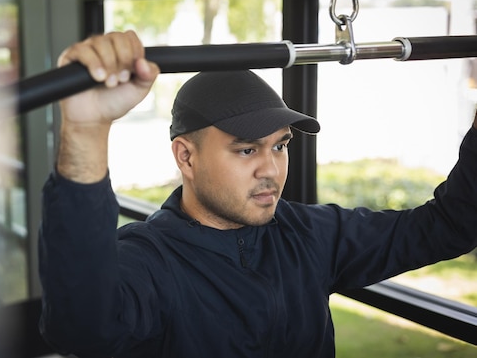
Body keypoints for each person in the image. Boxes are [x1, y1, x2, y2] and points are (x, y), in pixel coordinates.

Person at [38, 30, 477, 358]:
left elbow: (446, 228)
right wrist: (86, 130)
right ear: (185, 158)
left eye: (281, 145)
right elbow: (80, 327)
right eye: (247, 149)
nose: (271, 169)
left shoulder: (310, 233)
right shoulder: (149, 262)